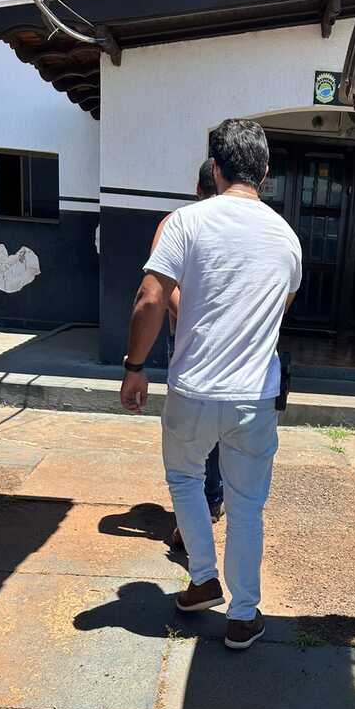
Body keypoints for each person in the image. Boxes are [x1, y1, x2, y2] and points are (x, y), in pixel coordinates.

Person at [120, 119, 302, 650]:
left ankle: (203, 579)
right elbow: (279, 311)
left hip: (193, 389)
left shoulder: (186, 222)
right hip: (254, 397)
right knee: (246, 506)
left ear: (216, 169)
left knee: (185, 479)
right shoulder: (287, 238)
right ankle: (243, 616)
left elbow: (150, 298)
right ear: (264, 172)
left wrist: (135, 366)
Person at [152, 159, 224, 547]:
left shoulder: (176, 222)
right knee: (211, 431)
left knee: (191, 434)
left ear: (197, 188)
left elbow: (160, 292)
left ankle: (203, 508)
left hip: (191, 343)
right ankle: (207, 504)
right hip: (211, 343)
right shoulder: (182, 224)